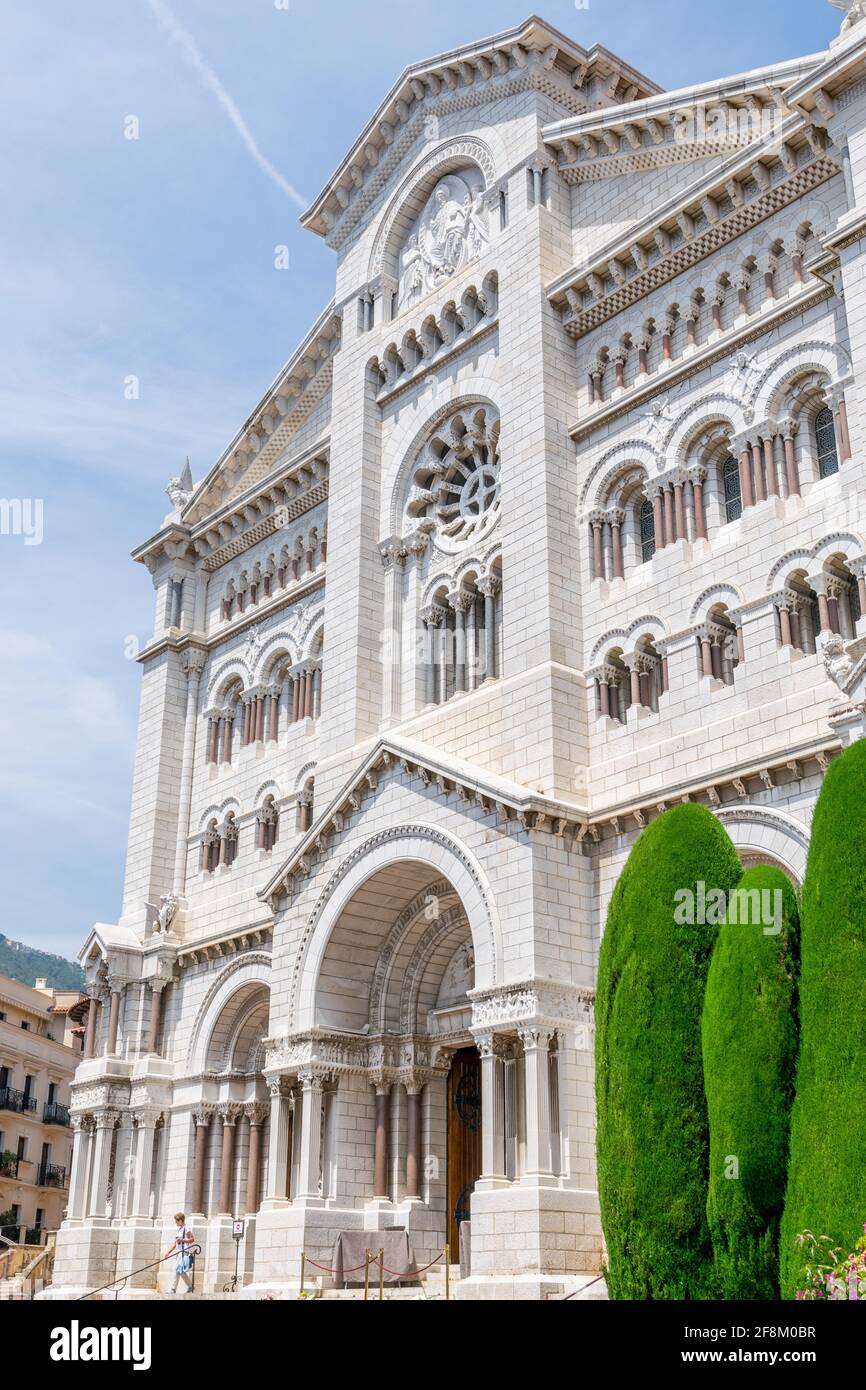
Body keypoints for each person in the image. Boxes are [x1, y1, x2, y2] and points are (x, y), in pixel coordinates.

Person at [165, 1212, 195, 1296]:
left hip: (184, 1252)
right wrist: (168, 1252)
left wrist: (183, 1240)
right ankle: (190, 1286)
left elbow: (192, 1239)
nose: (175, 1222)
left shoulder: (186, 1228)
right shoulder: (179, 1230)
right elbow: (175, 1244)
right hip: (179, 1253)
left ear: (181, 1220)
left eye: (176, 1221)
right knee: (180, 1271)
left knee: (177, 1269)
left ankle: (173, 1289)